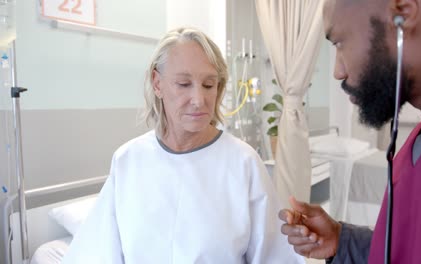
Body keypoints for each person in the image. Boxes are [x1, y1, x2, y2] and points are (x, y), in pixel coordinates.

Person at [63, 27, 303, 264]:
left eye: (209, 85)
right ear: (157, 83)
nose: (199, 100)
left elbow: (276, 256)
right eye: (183, 84)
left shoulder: (244, 162)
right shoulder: (129, 159)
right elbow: (99, 252)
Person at [279, 0, 421, 263]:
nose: (338, 72)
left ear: (402, 13)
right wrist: (342, 240)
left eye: (340, 43)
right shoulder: (419, 142)